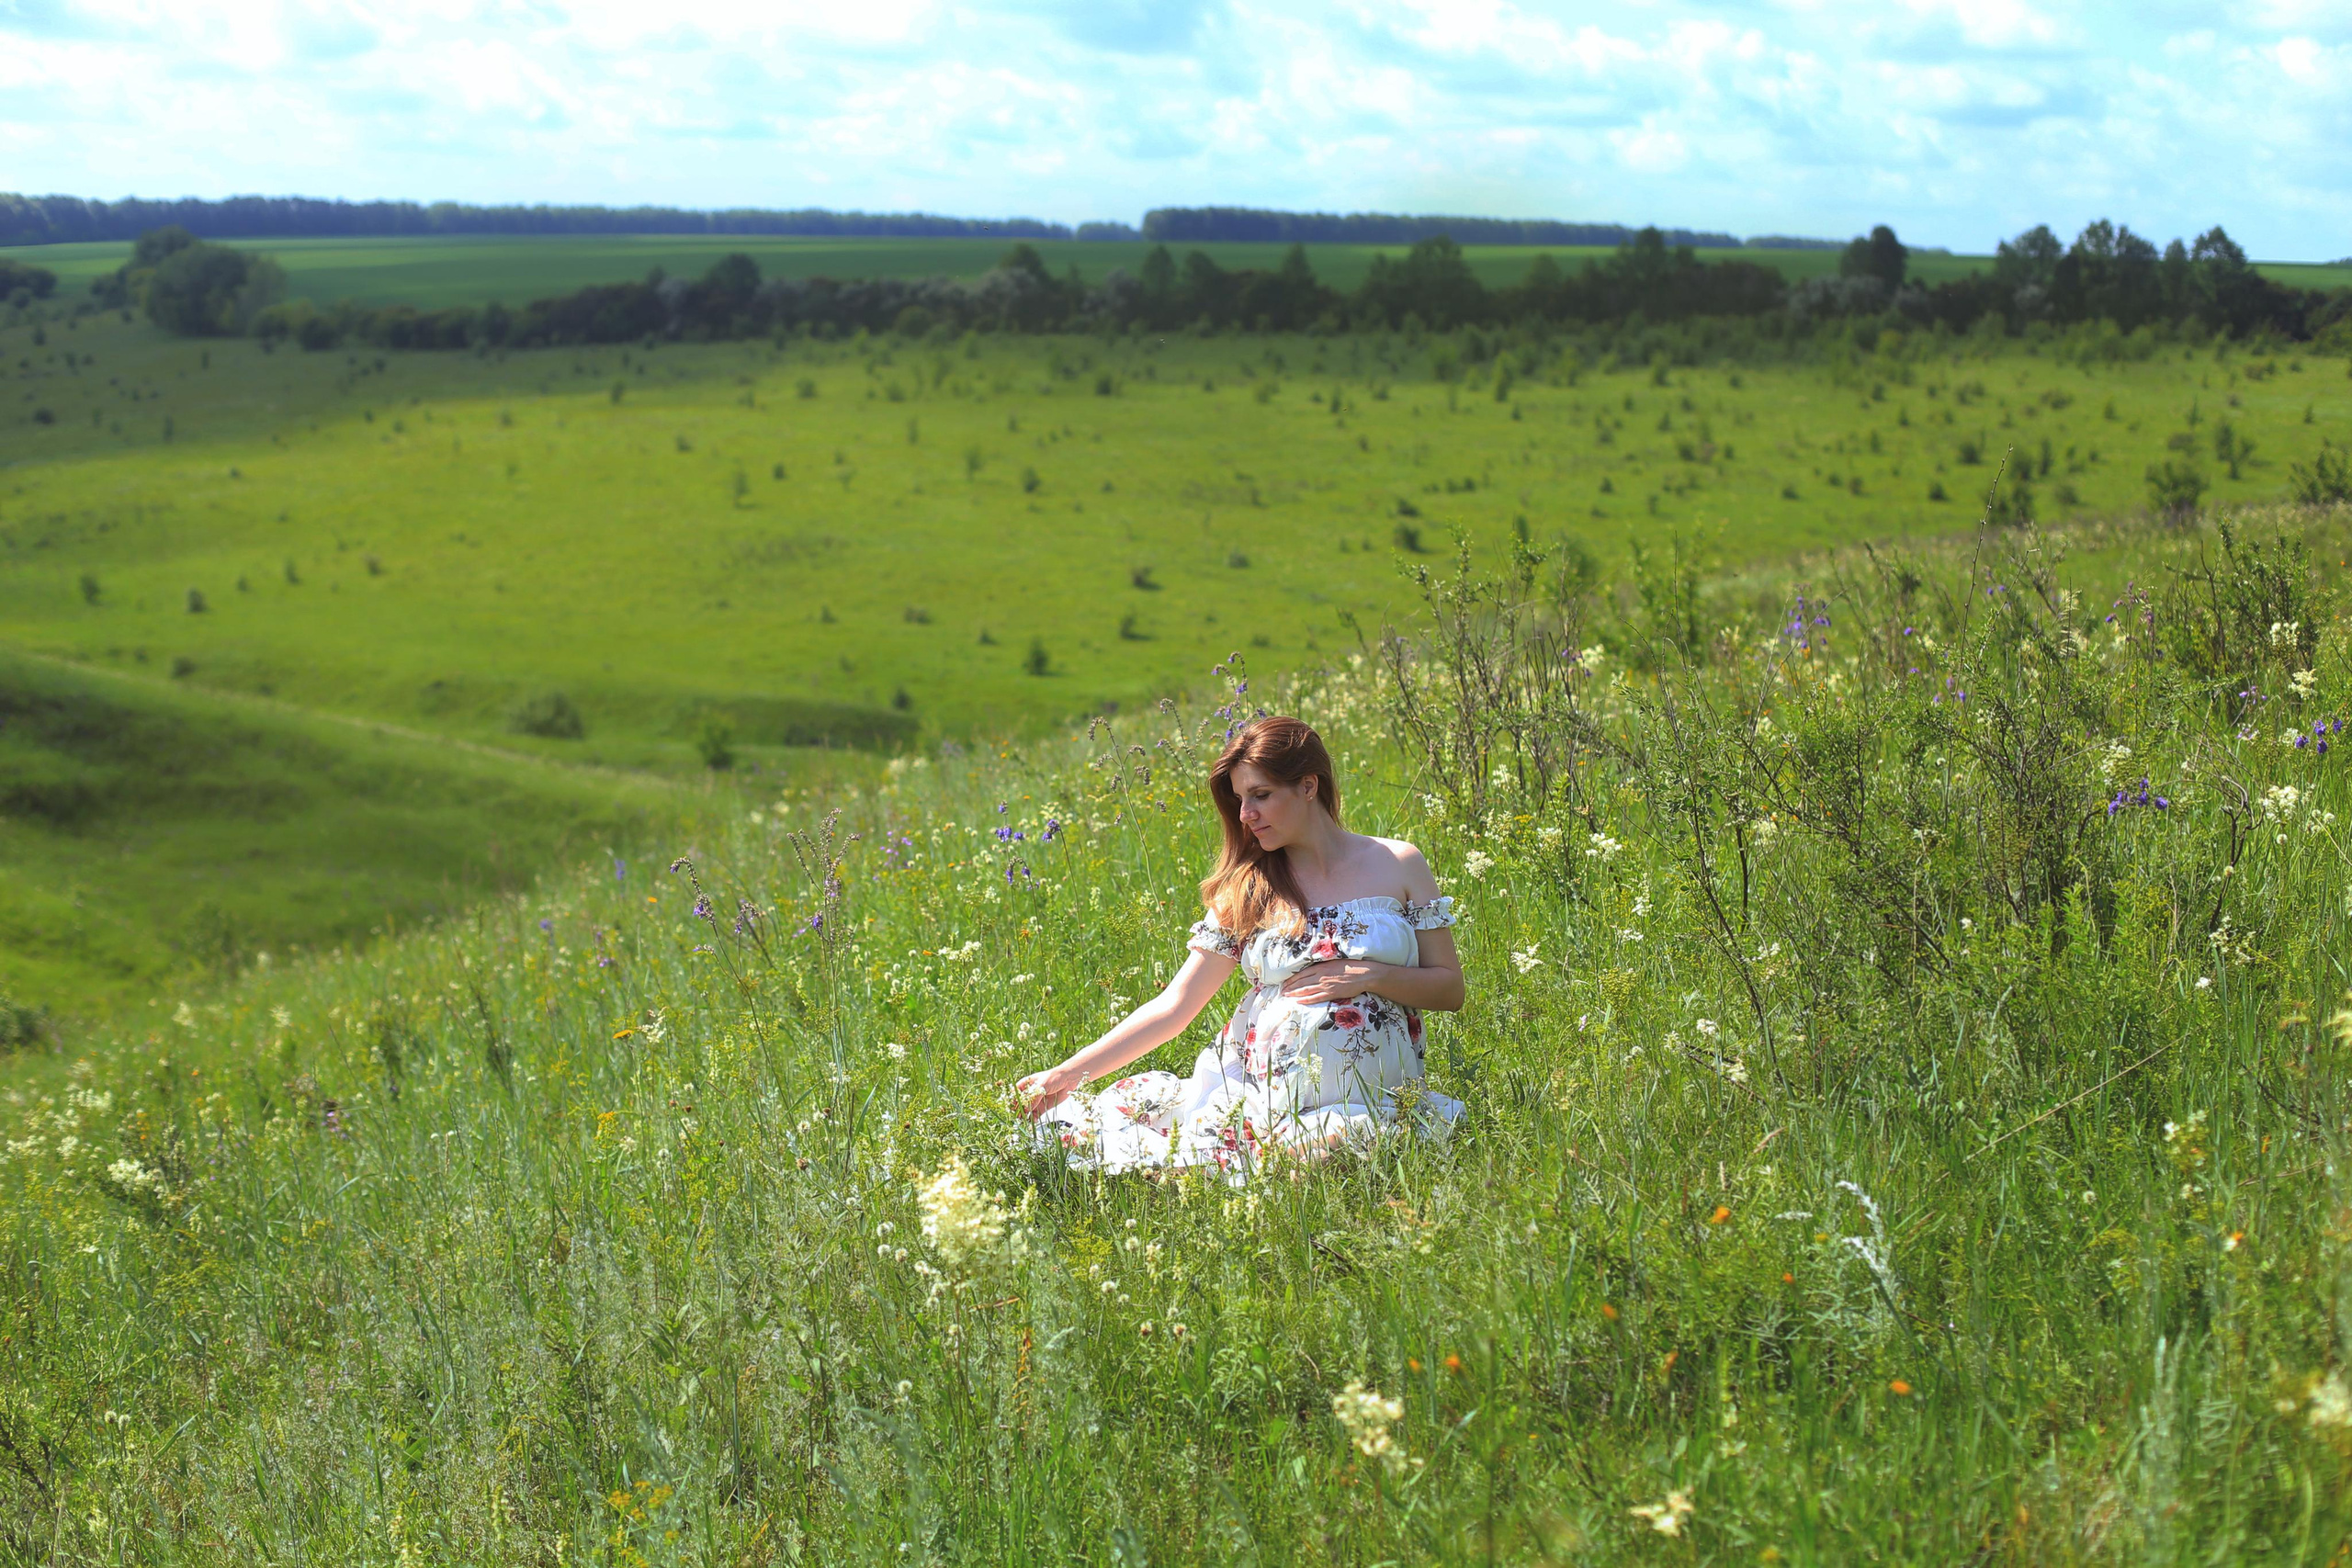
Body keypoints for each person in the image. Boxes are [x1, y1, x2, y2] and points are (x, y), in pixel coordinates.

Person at [1016, 716, 1466, 1176]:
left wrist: (1375, 975)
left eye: (1261, 795)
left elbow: (1450, 990)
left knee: (1336, 1151)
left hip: (1378, 1096)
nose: (1245, 814)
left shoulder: (1399, 863)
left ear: (1308, 786)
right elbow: (1175, 1007)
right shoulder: (1248, 888)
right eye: (1239, 800)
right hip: (1266, 1101)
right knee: (1091, 1137)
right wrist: (1066, 1075)